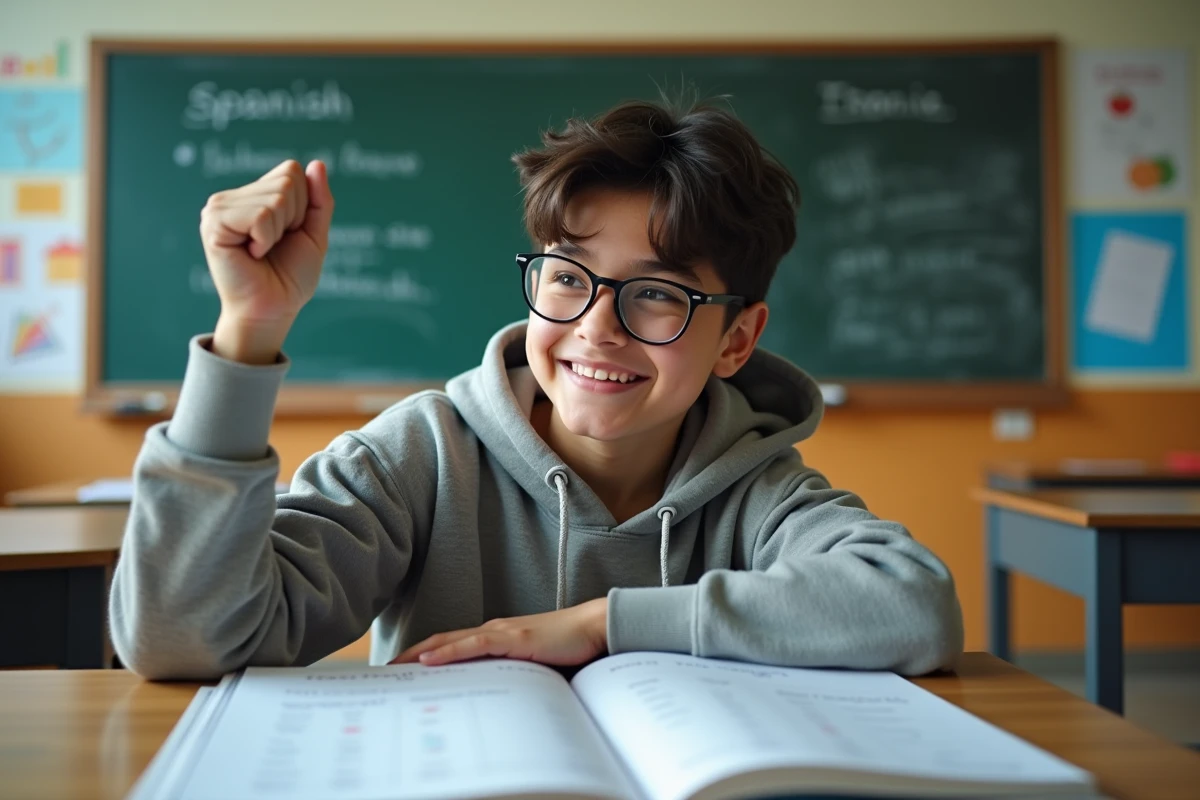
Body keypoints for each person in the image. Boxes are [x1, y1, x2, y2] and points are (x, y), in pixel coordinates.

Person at [109, 99, 963, 680]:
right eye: (568, 277)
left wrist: (599, 626)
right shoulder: (421, 455)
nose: (598, 326)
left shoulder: (757, 487)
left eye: (658, 293)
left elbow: (912, 604)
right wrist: (247, 334)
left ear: (736, 338)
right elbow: (180, 639)